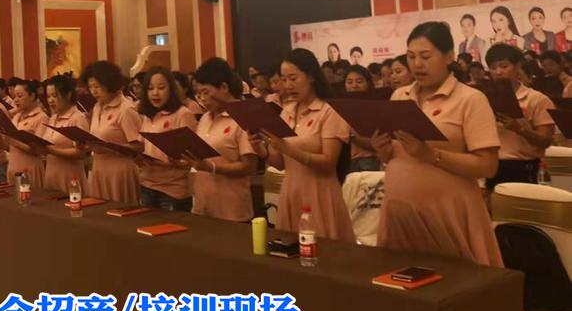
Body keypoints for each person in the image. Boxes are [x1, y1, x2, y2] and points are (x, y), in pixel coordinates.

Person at [370, 21, 502, 266]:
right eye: (411, 56)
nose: (417, 64)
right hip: (401, 211)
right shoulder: (400, 95)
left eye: (425, 56)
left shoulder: (471, 99)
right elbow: (399, 154)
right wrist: (384, 151)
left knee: (456, 281)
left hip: (448, 213)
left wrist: (432, 155)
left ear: (449, 56)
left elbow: (488, 166)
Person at [262, 50, 355, 241]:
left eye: (293, 78)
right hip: (291, 192)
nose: (288, 85)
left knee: (323, 251)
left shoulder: (329, 111)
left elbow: (329, 162)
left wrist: (289, 150)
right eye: (284, 79)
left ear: (311, 76)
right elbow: (280, 163)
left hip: (319, 193)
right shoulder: (287, 111)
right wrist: (260, 149)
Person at [181, 57, 258, 222]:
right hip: (203, 204)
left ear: (224, 87)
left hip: (232, 208)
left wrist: (212, 167)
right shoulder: (205, 118)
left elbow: (249, 166)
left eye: (206, 92)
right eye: (198, 93)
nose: (202, 98)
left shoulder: (243, 116)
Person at [484, 44, 555, 189]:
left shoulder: (537, 99)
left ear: (517, 67)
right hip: (492, 166)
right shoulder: (484, 99)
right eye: (493, 68)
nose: (498, 72)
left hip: (524, 167)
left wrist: (520, 129)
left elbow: (546, 141)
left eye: (504, 66)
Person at [83, 60, 143, 204]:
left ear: (109, 84)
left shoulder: (126, 109)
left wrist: (110, 147)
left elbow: (140, 146)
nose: (93, 91)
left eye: (97, 86)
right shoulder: (97, 107)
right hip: (98, 167)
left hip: (119, 171)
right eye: (90, 87)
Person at [138, 67, 197, 212]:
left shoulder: (183, 114)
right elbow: (142, 146)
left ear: (171, 89)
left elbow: (192, 157)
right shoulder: (148, 115)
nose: (155, 93)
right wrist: (137, 157)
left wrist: (176, 162)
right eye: (150, 88)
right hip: (147, 184)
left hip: (173, 189)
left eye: (161, 88)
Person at [42, 74, 90, 194]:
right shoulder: (53, 118)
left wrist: (52, 150)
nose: (50, 100)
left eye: (55, 95)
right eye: (48, 96)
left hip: (70, 176)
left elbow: (80, 153)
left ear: (68, 95)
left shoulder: (77, 118)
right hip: (52, 174)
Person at [2, 79, 49, 188]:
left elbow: (39, 150)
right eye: (14, 96)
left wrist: (13, 141)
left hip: (29, 169)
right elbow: (7, 146)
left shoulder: (41, 118)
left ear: (32, 96)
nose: (15, 100)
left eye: (20, 96)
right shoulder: (17, 116)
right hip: (13, 167)